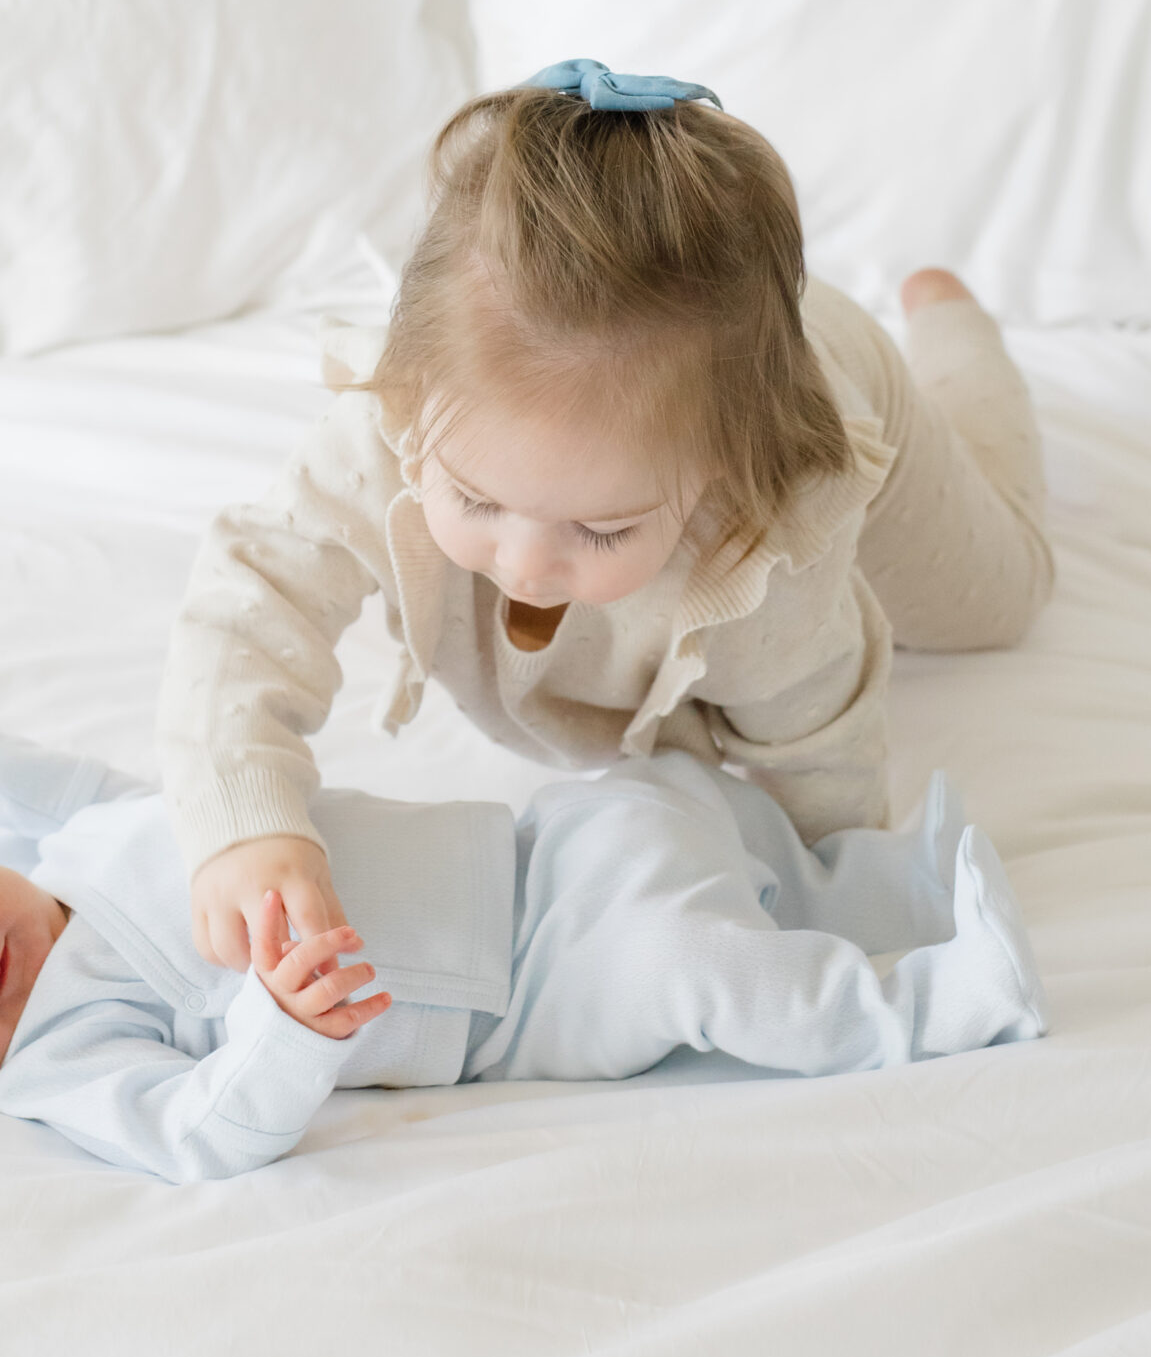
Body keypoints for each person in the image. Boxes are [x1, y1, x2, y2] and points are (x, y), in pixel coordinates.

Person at [157, 61, 1053, 972]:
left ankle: (954, 333)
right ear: (411, 392)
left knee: (997, 605)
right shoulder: (387, 425)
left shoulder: (772, 531)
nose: (526, 567)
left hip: (831, 369)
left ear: (717, 476)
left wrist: (831, 901)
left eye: (601, 530)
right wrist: (242, 819)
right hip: (688, 368)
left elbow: (818, 746)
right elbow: (253, 598)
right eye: (474, 500)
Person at [0, 721, 1046, 1185]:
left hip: (527, 854)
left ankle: (882, 885)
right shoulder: (57, 1061)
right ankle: (939, 1000)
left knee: (672, 799)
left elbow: (123, 794)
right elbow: (199, 1134)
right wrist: (281, 1028)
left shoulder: (64, 863)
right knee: (701, 973)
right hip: (530, 995)